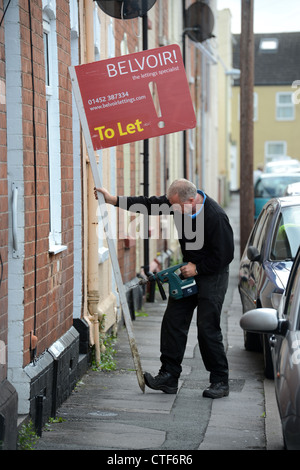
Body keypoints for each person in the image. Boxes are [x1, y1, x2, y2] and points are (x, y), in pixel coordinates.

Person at [94, 179, 234, 399]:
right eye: (171, 204)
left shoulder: (215, 217)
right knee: (173, 322)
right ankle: (169, 376)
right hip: (189, 270)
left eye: (175, 205)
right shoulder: (177, 203)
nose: (172, 209)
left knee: (207, 328)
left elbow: (225, 255)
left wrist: (198, 268)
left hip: (212, 274)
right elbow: (147, 204)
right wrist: (113, 200)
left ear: (191, 200)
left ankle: (220, 380)